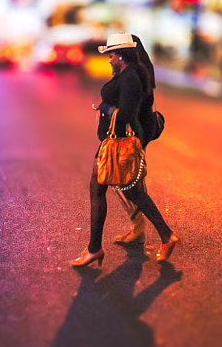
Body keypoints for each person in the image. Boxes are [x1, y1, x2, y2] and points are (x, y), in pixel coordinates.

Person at [72, 33, 180, 269]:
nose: (109, 59)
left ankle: (94, 249)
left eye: (111, 54)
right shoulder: (130, 73)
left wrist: (104, 107)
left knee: (106, 187)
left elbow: (128, 113)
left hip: (117, 142)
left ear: (121, 55)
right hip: (116, 140)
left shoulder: (131, 76)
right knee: (129, 189)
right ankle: (162, 234)